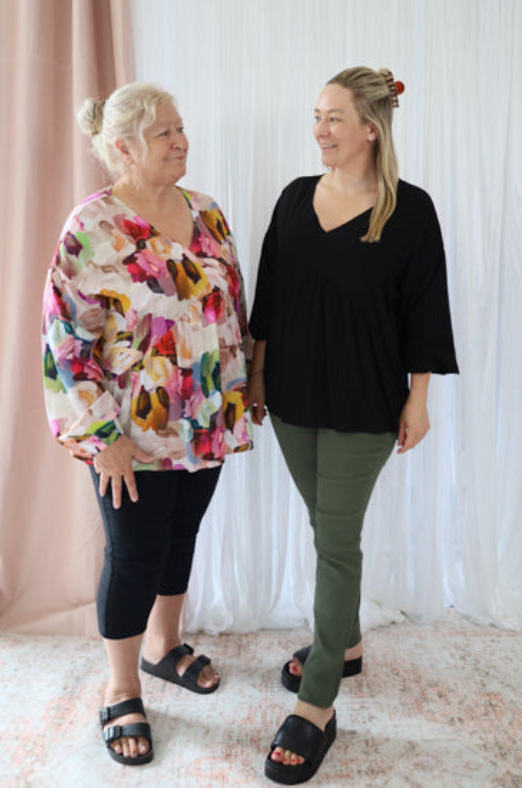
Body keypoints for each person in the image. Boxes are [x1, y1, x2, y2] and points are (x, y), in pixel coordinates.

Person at [249, 66, 458, 784]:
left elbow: (425, 314)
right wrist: (256, 372)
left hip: (366, 404)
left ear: (371, 127)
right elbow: (269, 295)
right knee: (325, 530)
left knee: (336, 543)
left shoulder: (410, 210)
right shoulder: (294, 197)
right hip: (291, 401)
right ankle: (349, 643)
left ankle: (316, 707)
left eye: (334, 117)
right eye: (316, 115)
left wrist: (418, 398)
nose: (320, 129)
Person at [41, 82, 253, 766]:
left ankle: (164, 647)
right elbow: (66, 340)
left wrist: (244, 394)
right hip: (131, 434)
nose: (181, 139)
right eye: (165, 132)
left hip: (207, 421)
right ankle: (120, 684)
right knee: (133, 553)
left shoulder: (208, 212)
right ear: (124, 146)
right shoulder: (92, 225)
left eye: (181, 127)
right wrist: (105, 438)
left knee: (181, 534)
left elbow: (232, 310)